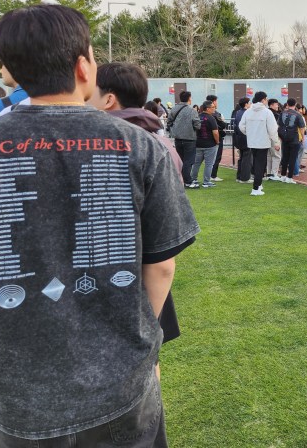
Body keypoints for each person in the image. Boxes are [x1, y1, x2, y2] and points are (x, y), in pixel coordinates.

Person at [0, 4, 198, 446]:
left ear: (11, 71)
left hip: (13, 390)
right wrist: (141, 341)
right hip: (120, 384)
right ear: (83, 67)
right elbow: (161, 266)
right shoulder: (139, 146)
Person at [88, 62, 185, 378]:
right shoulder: (159, 140)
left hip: (119, 273)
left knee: (137, 361)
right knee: (148, 360)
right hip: (148, 270)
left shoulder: (111, 146)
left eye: (89, 93)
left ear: (109, 99)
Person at [239, 91, 279, 195]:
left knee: (256, 163)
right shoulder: (267, 112)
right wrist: (276, 141)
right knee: (260, 165)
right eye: (266, 99)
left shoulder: (248, 111)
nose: (267, 100)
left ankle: (258, 185)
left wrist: (249, 133)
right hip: (263, 142)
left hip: (252, 142)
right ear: (263, 100)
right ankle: (256, 188)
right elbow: (273, 129)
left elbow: (241, 126)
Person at [167, 90, 201, 187]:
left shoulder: (174, 109)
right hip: (189, 138)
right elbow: (197, 125)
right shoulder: (192, 111)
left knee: (180, 160)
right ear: (189, 98)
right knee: (188, 161)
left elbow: (169, 122)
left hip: (177, 138)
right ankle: (188, 181)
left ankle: (180, 180)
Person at [189, 100, 220, 188]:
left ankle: (193, 179)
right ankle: (206, 181)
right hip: (209, 144)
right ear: (207, 108)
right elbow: (215, 132)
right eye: (212, 107)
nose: (214, 109)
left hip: (198, 143)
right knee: (209, 164)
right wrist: (217, 141)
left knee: (196, 163)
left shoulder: (198, 116)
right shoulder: (211, 118)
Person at [278, 98, 305, 183]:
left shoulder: (282, 113)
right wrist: (303, 138)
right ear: (295, 104)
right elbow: (302, 128)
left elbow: (279, 125)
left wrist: (280, 136)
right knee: (292, 158)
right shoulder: (298, 115)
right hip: (294, 138)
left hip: (284, 137)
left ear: (287, 104)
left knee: (285, 157)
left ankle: (283, 176)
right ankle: (289, 177)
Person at [205, 95, 228, 183]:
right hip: (216, 137)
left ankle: (209, 175)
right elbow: (222, 125)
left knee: (207, 159)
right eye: (216, 101)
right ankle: (213, 175)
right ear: (213, 102)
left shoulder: (202, 113)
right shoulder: (215, 114)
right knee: (216, 157)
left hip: (206, 138)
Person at [233, 97, 253, 183]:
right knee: (247, 158)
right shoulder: (247, 113)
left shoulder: (238, 112)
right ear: (246, 104)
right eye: (249, 103)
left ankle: (239, 176)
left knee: (242, 157)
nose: (251, 104)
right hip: (245, 137)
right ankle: (244, 178)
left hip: (239, 137)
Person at [266, 98, 283, 180]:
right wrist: (277, 140)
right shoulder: (275, 115)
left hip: (266, 138)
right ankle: (274, 174)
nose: (278, 106)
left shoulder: (266, 112)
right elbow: (276, 128)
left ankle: (269, 173)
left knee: (269, 156)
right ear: (271, 105)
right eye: (276, 104)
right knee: (276, 156)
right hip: (274, 137)